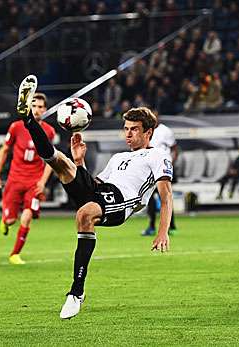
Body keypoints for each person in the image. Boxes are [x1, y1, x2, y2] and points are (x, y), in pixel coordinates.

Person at [15, 75, 173, 319]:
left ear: (148, 132)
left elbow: (166, 195)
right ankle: (28, 119)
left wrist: (162, 230)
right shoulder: (118, 157)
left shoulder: (158, 156)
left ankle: (76, 293)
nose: (128, 134)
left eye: (134, 130)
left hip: (124, 201)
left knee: (84, 213)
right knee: (60, 162)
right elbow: (96, 185)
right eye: (126, 129)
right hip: (105, 191)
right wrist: (80, 161)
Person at [0, 92, 55, 265]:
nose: (37, 110)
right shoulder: (16, 127)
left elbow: (51, 159)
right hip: (15, 179)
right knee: (11, 220)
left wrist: (42, 181)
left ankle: (15, 254)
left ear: (45, 110)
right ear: (28, 107)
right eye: (33, 106)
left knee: (27, 216)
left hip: (34, 182)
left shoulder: (48, 131)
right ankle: (5, 220)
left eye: (40, 107)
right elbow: (4, 151)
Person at [141, 111, 178, 236]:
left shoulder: (165, 131)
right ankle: (151, 226)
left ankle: (171, 226)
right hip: (150, 170)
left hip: (163, 170)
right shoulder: (145, 132)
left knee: (165, 197)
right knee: (150, 198)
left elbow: (174, 148)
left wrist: (171, 163)